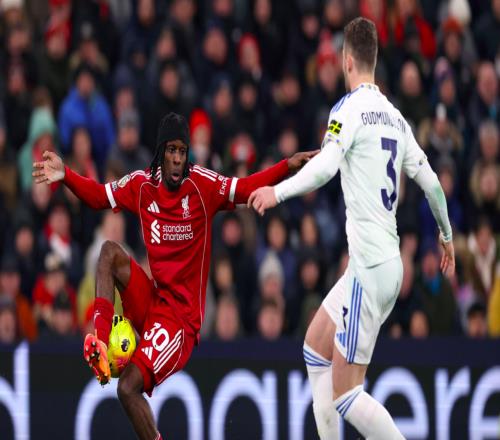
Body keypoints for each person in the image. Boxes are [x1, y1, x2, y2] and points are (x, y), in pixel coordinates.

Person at [33, 112, 315, 440]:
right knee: (109, 252)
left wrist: (286, 166)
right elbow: (98, 196)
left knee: (127, 388)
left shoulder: (202, 185)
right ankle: (101, 343)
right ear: (160, 153)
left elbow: (246, 188)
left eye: (183, 151)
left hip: (180, 321)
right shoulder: (141, 185)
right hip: (154, 300)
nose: (178, 158)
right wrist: (65, 175)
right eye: (172, 150)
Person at [248, 17, 455, 439]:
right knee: (314, 348)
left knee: (346, 393)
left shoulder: (348, 109)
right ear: (373, 60)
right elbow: (433, 185)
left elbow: (325, 166)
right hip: (384, 264)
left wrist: (277, 192)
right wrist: (446, 235)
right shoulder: (396, 118)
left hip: (368, 266)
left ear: (346, 61)